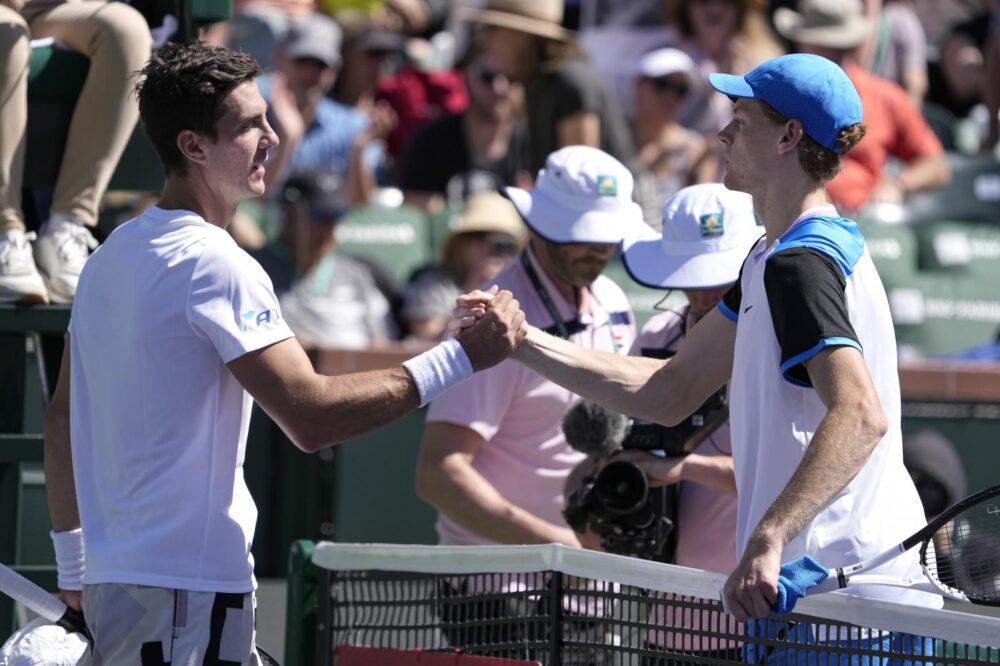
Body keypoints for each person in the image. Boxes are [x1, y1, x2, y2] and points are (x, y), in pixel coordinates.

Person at [42, 41, 525, 665]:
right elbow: (311, 415)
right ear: (193, 147)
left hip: (123, 586)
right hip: (186, 593)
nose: (273, 137)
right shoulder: (216, 264)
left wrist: (75, 568)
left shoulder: (106, 260)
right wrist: (458, 358)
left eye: (268, 117)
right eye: (249, 125)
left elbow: (59, 422)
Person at [455, 53, 940, 659]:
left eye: (742, 118)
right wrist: (521, 341)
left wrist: (767, 536)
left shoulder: (799, 264)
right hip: (815, 602)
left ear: (790, 136)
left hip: (842, 605)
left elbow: (861, 415)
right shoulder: (773, 257)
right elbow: (670, 388)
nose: (724, 133)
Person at [415, 145, 650, 551]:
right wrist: (558, 548)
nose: (597, 248)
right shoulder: (489, 324)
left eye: (606, 235)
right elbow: (438, 473)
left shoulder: (613, 300)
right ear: (541, 225)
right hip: (497, 592)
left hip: (591, 585)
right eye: (582, 233)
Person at [613, 183, 761, 663]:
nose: (702, 292)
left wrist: (685, 467)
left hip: (758, 619)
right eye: (692, 275)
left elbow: (795, 475)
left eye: (717, 275)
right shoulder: (655, 336)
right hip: (669, 622)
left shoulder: (779, 347)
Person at [0, 0, 151, 303]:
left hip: (48, 8)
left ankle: (66, 227)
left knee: (127, 30)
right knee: (6, 39)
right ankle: (6, 232)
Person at [774, 0, 951, 211]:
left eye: (834, 47)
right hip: (793, 216)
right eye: (818, 44)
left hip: (865, 220)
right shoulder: (777, 95)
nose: (827, 53)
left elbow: (936, 164)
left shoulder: (884, 97)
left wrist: (897, 184)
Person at [461, 0, 634, 174]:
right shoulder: (536, 80)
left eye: (493, 29)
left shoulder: (569, 81)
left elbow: (578, 181)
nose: (487, 40)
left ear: (520, 35)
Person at [252, 168, 397, 348]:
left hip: (353, 372)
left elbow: (381, 345)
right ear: (287, 215)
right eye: (319, 217)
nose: (329, 228)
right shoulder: (251, 269)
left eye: (336, 216)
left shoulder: (357, 273)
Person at [261, 14, 389, 205]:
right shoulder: (251, 119)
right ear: (280, 59)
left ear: (335, 71)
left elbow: (362, 210)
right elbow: (251, 205)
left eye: (321, 65)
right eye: (302, 60)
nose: (311, 74)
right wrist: (288, 139)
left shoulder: (352, 127)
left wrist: (358, 150)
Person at [396, 40, 532, 212]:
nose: (499, 88)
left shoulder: (535, 145)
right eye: (487, 77)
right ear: (467, 76)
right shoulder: (431, 142)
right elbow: (417, 216)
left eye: (512, 78)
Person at [401, 190, 525, 343]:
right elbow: (425, 337)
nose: (494, 249)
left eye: (506, 243)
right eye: (481, 236)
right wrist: (475, 288)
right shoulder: (435, 283)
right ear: (465, 242)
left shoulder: (522, 285)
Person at [631, 48, 719, 228]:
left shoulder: (694, 148)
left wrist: (695, 172)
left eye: (680, 90)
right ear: (639, 84)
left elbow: (699, 214)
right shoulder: (614, 133)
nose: (670, 96)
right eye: (662, 85)